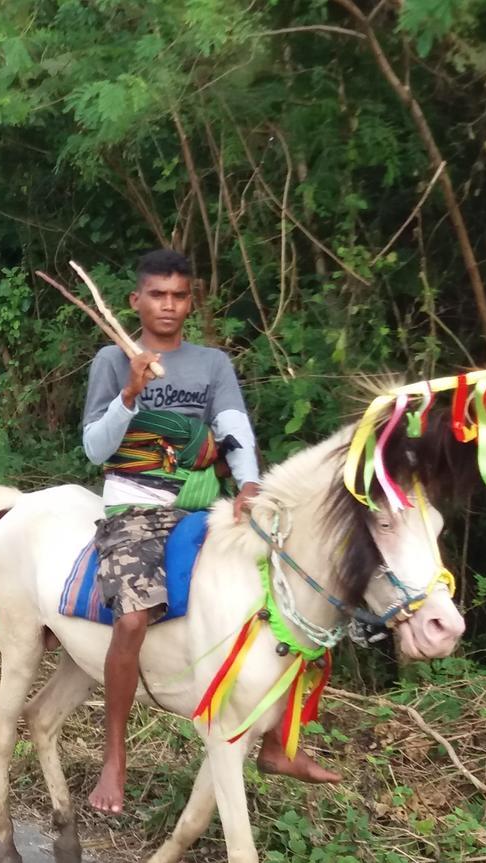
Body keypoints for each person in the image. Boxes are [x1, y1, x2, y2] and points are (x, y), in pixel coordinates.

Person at [81, 248, 340, 815]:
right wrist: (129, 393)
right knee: (130, 618)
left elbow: (233, 427)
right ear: (136, 301)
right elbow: (95, 447)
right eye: (157, 295)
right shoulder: (110, 360)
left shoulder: (212, 364)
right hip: (135, 510)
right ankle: (114, 758)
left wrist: (248, 485)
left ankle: (279, 743)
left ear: (190, 300)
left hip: (206, 506)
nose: (168, 305)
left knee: (294, 589)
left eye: (178, 295)